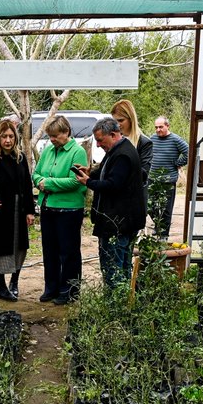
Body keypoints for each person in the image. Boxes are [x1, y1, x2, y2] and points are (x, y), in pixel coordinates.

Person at [73, 117, 145, 289]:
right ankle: (122, 304)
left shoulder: (123, 155)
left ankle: (115, 307)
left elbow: (113, 185)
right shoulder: (119, 149)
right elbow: (111, 173)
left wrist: (88, 182)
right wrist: (91, 172)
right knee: (121, 267)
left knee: (114, 269)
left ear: (113, 135)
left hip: (118, 223)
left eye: (100, 140)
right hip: (122, 222)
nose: (98, 145)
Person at [31, 114, 87, 305]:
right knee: (50, 251)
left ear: (66, 132)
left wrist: (49, 183)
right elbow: (36, 173)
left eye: (55, 136)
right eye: (50, 136)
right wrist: (40, 181)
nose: (52, 140)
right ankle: (51, 287)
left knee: (68, 252)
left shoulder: (77, 152)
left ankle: (69, 290)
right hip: (48, 207)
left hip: (69, 210)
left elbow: (75, 181)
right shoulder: (48, 151)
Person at [0, 118, 35, 302]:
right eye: (4, 136)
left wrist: (30, 210)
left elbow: (27, 185)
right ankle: (1, 287)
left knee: (19, 248)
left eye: (11, 136)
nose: (8, 140)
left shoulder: (19, 157)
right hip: (1, 209)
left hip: (19, 209)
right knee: (2, 248)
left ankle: (14, 282)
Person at [149, 116, 189, 237]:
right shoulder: (152, 138)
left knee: (166, 209)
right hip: (152, 178)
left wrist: (177, 163)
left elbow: (188, 152)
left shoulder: (175, 139)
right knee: (149, 205)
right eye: (156, 127)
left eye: (161, 127)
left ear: (167, 126)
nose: (158, 130)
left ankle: (163, 235)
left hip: (168, 179)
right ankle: (158, 225)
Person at [110, 98, 154, 188]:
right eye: (115, 121)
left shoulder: (144, 143)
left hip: (134, 196)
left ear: (131, 119)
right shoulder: (115, 140)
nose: (117, 125)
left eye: (121, 120)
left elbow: (143, 174)